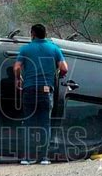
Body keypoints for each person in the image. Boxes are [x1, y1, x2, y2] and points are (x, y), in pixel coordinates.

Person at [13, 24, 68, 165]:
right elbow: (64, 68)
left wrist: (18, 79)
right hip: (46, 90)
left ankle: (26, 158)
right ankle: (44, 157)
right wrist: (58, 75)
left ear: (32, 34)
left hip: (29, 89)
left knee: (28, 124)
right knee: (45, 124)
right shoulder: (54, 48)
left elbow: (17, 67)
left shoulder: (25, 49)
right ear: (45, 33)